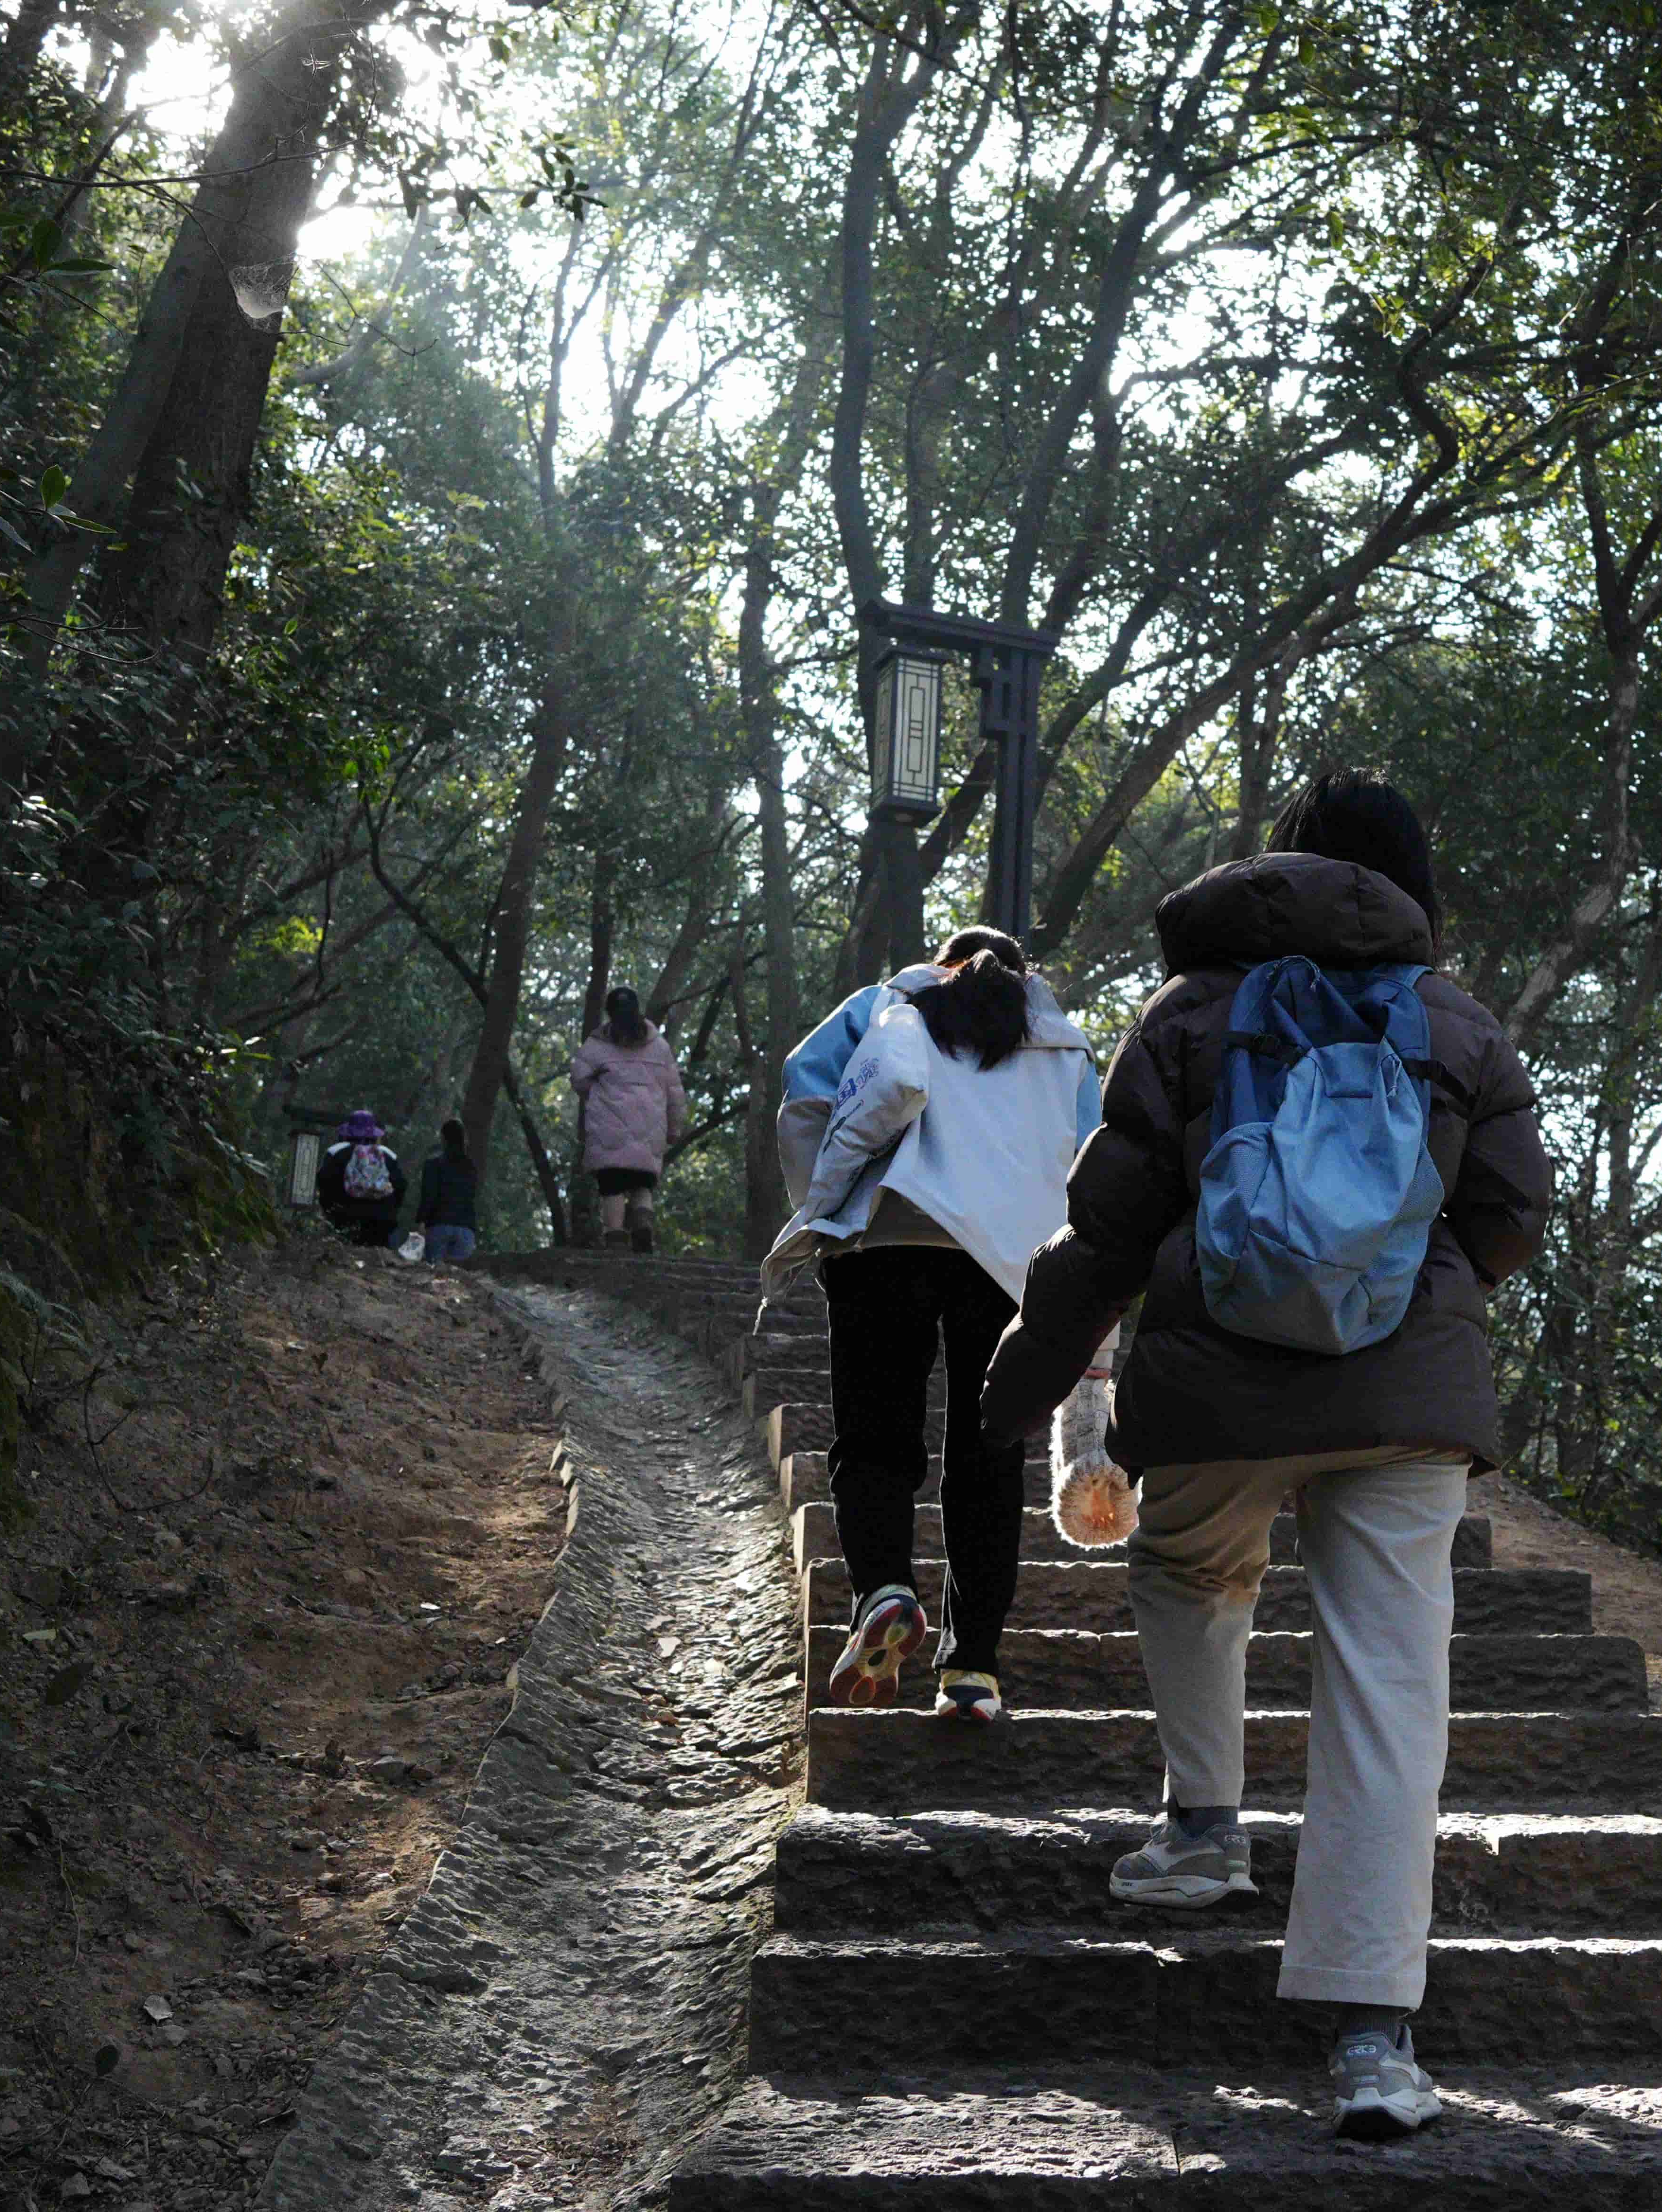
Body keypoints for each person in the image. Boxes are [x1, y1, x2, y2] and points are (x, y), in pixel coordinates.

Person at [978, 770, 1552, 2142]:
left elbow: (1106, 1232)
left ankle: (1204, 1829)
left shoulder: (1189, 1014)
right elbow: (1513, 1213)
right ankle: (1370, 2032)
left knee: (1187, 1564)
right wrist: (1398, 1283)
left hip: (1216, 1384)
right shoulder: (1457, 1022)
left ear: (1278, 869)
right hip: (1406, 1393)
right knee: (1390, 1678)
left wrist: (1019, 1389)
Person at [765, 928, 1100, 1723]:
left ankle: (883, 1587)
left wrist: (824, 1205)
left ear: (943, 962)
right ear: (1024, 977)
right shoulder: (1063, 1042)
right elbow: (1093, 1156)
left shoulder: (882, 1005)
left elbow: (806, 1093)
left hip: (884, 1236)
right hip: (1008, 1257)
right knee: (986, 1457)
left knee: (875, 1436)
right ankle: (972, 1671)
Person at [571, 987, 689, 1252]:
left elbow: (578, 1079)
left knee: (612, 1186)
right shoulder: (659, 1047)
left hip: (608, 1126)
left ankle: (615, 1238)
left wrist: (600, 1091)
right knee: (641, 1183)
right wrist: (675, 1127)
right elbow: (675, 1092)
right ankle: (643, 1229)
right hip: (649, 1129)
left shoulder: (598, 1044)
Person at [314, 1110, 402, 1248]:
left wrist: (329, 1210)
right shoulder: (387, 1154)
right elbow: (400, 1186)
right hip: (381, 1221)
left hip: (344, 1217)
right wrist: (390, 1210)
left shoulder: (336, 1152)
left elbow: (324, 1182)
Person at [414, 1118, 479, 1263]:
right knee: (459, 1280)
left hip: (439, 1225)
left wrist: (421, 1222)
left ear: (443, 1139)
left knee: (434, 1276)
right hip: (466, 1228)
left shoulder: (433, 1165)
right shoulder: (471, 1168)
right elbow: (472, 1196)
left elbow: (428, 1196)